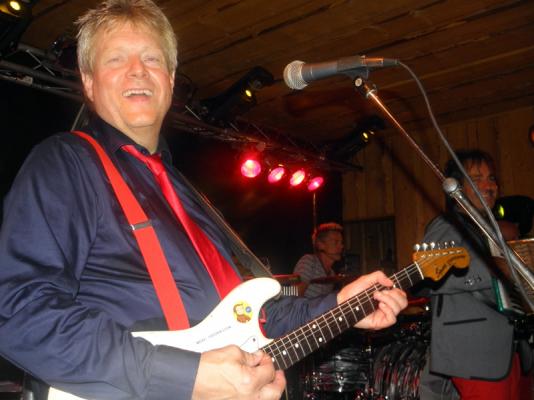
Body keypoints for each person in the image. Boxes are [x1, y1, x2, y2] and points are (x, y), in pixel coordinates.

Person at [0, 1, 408, 399]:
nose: (137, 70)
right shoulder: (67, 162)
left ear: (170, 80)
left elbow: (251, 316)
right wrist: (186, 377)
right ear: (89, 82)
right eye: (116, 59)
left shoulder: (183, 194)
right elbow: (16, 309)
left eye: (152, 59)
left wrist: (338, 305)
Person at [417, 149, 522, 400]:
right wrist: (494, 270)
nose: (489, 185)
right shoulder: (447, 224)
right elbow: (430, 275)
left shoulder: (486, 227)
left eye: (492, 178)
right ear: (457, 188)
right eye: (477, 179)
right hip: (475, 353)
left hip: (505, 349)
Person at [293, 222, 345, 297]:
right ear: (320, 245)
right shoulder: (308, 262)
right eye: (336, 242)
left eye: (341, 242)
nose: (341, 246)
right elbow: (295, 296)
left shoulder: (332, 274)